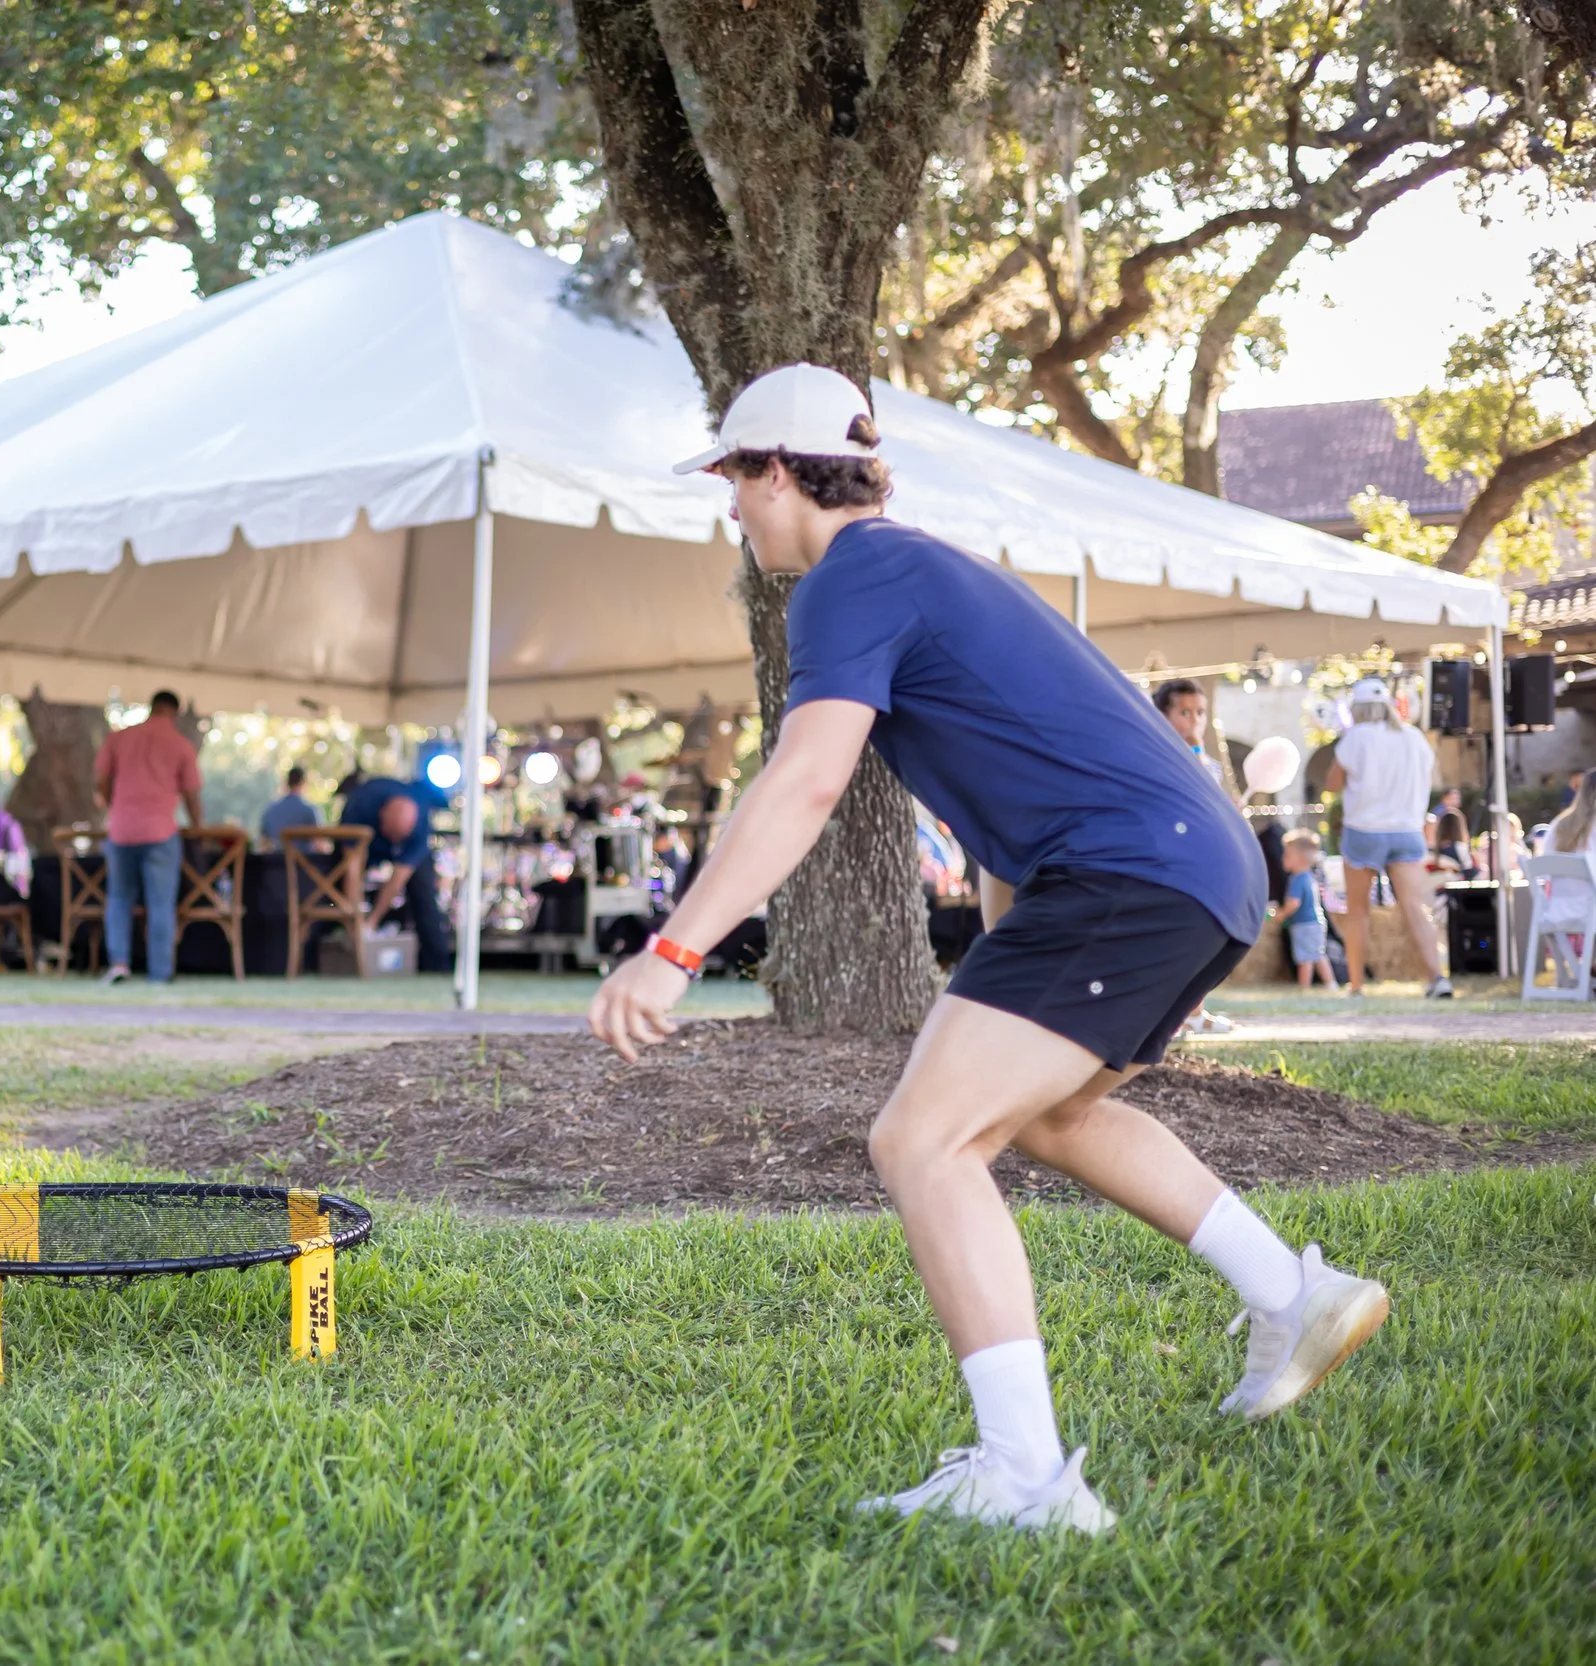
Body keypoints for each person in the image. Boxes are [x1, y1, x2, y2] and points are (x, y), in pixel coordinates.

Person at [590, 364, 1387, 1535]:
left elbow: (806, 778)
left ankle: (1023, 1476)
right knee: (1049, 1114)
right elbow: (1024, 783)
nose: (728, 508)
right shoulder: (928, 571)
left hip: (1130, 873)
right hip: (1193, 871)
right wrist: (1011, 979)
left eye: (731, 478)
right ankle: (1294, 1291)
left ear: (777, 471)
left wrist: (672, 948)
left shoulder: (850, 577)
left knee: (921, 1139)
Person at [1326, 677, 1452, 998]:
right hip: (1407, 829)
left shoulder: (1356, 738)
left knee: (1357, 911)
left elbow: (1331, 783)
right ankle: (1436, 978)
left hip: (1363, 830)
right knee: (1414, 905)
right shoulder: (1414, 738)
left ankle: (1356, 985)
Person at [93, 689, 202, 985]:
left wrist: (114, 805)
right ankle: (160, 972)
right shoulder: (181, 745)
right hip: (161, 832)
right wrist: (198, 826)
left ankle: (119, 964)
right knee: (160, 904)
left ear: (151, 707)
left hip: (121, 829)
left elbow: (101, 781)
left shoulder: (120, 738)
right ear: (175, 712)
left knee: (118, 898)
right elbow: (192, 795)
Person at [1152, 679, 1238, 1036]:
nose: (1193, 721)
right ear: (1162, 717)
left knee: (1202, 937)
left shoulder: (1210, 764)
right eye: (1184, 712)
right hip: (1168, 859)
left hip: (1200, 861)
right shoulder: (1156, 755)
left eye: (1200, 713)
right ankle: (1168, 1015)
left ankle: (1193, 1011)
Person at [340, 775, 452, 972]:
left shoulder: (420, 825)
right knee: (334, 885)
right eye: (392, 834)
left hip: (411, 847)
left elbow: (397, 880)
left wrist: (371, 923)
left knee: (424, 895)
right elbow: (352, 870)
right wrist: (354, 921)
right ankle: (334, 951)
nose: (395, 842)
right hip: (366, 843)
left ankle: (437, 965)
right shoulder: (360, 805)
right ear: (382, 814)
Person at [1276, 830, 1336, 991]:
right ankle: (1331, 984)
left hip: (1304, 925)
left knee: (1304, 958)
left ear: (1301, 858)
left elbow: (1293, 904)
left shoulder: (1297, 879)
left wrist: (1281, 914)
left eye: (1287, 855)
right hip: (1316, 922)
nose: (1283, 858)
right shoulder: (1309, 877)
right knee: (1318, 954)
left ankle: (1304, 987)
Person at [260, 766, 322, 845]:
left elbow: (263, 841)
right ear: (303, 782)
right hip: (303, 856)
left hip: (275, 856)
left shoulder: (270, 809)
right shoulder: (309, 810)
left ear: (287, 782)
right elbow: (318, 842)